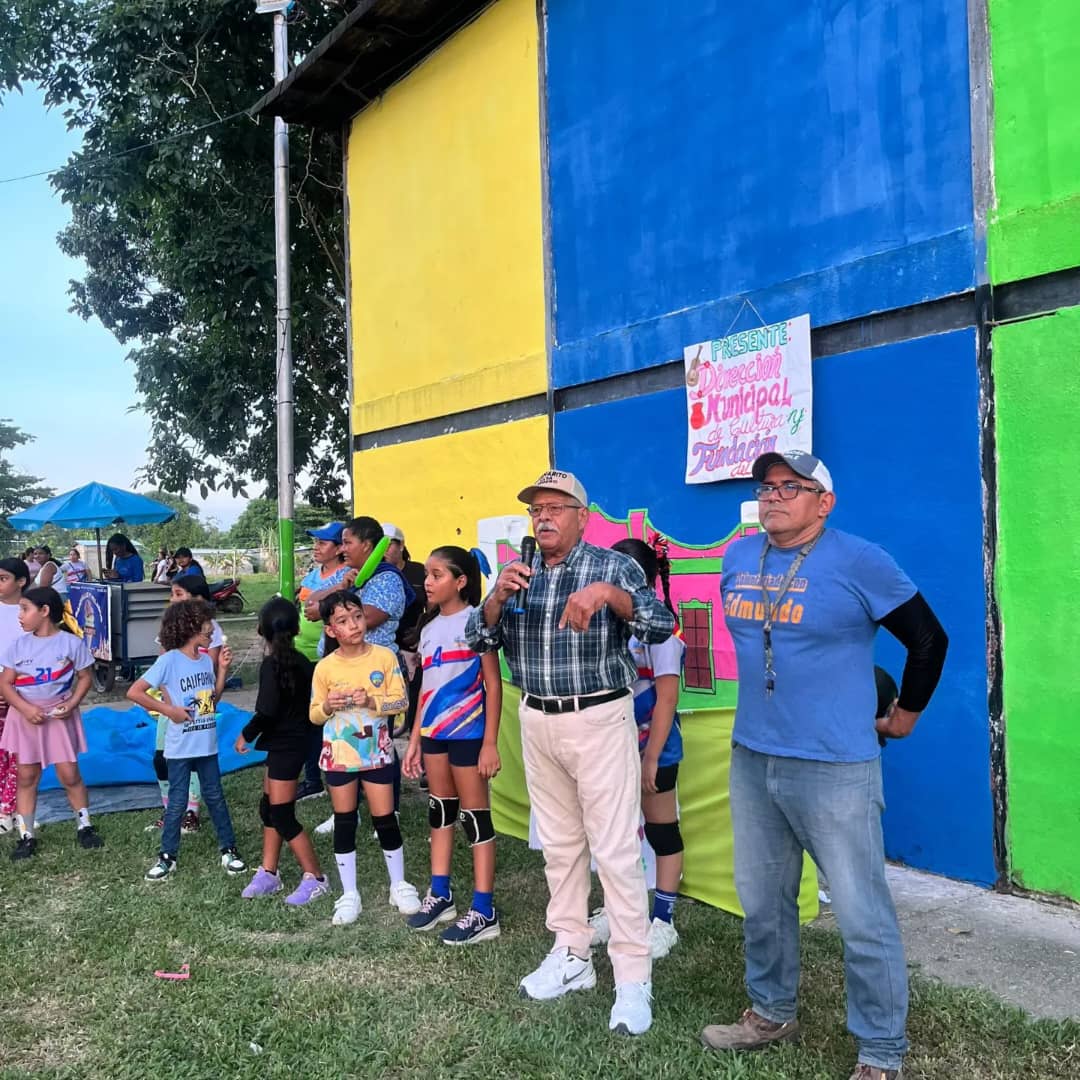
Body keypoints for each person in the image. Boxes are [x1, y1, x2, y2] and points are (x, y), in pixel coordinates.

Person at [701, 451, 949, 1080]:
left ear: (824, 502)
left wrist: (905, 717)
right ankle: (771, 1010)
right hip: (754, 757)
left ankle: (881, 1051)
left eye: (793, 486)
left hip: (836, 765)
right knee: (762, 900)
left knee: (862, 913)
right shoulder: (738, 557)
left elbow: (928, 639)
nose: (775, 495)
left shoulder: (859, 559)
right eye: (767, 486)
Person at [465, 469, 676, 1036]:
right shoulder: (519, 572)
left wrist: (611, 597)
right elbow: (477, 639)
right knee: (559, 847)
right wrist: (494, 602)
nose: (545, 517)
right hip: (536, 717)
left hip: (600, 716)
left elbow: (662, 625)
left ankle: (632, 978)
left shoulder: (612, 566)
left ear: (583, 516)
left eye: (557, 507)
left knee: (614, 850)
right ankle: (573, 955)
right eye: (537, 509)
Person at [588, 537, 685, 961]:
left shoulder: (662, 630)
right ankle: (615, 909)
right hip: (612, 746)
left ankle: (662, 920)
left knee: (661, 830)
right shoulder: (607, 623)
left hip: (654, 750)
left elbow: (666, 700)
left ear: (642, 581)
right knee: (617, 834)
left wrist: (650, 757)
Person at [402, 546, 503, 945]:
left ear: (461, 582)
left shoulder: (477, 622)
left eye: (437, 574)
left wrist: (490, 743)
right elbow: (426, 689)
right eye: (426, 574)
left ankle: (484, 909)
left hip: (469, 735)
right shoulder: (427, 630)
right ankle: (440, 894)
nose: (427, 581)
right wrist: (414, 740)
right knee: (440, 812)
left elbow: (493, 685)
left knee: (475, 818)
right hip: (433, 737)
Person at [309, 590, 420, 925]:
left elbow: (401, 702)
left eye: (356, 616)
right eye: (342, 621)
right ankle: (349, 892)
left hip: (377, 753)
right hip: (340, 756)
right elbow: (315, 714)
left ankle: (398, 884)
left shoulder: (384, 657)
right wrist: (330, 705)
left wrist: (372, 702)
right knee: (344, 821)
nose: (353, 625)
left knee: (385, 818)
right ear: (330, 630)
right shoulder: (325, 668)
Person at [127, 599, 245, 881]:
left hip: (206, 745)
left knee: (215, 796)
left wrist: (223, 672)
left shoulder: (205, 660)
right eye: (207, 625)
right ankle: (167, 857)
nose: (212, 630)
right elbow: (135, 692)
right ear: (191, 626)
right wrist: (170, 711)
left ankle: (229, 850)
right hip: (180, 748)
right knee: (177, 801)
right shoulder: (168, 661)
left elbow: (210, 703)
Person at [234, 598, 330, 906]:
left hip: (288, 746)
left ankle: (316, 878)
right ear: (298, 628)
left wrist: (245, 734)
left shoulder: (273, 665)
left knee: (282, 814)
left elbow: (267, 711)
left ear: (261, 630)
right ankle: (269, 872)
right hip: (285, 744)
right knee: (269, 808)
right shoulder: (303, 662)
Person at [0, 586, 104, 860]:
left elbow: (84, 677)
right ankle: (27, 835)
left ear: (44, 611)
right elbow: (6, 683)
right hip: (26, 719)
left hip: (58, 717)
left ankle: (85, 826)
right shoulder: (18, 645)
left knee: (70, 774)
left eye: (25, 609)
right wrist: (24, 708)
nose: (19, 616)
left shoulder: (71, 643)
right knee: (27, 776)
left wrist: (71, 704)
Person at [142, 575, 224, 834]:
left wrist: (204, 706)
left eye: (178, 594)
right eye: (173, 594)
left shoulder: (211, 630)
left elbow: (208, 669)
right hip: (173, 706)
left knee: (197, 758)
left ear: (197, 599)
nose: (172, 599)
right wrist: (167, 704)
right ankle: (171, 812)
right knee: (161, 758)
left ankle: (191, 812)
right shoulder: (172, 628)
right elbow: (161, 665)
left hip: (199, 704)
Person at [294, 522, 350, 802]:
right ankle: (313, 776)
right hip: (303, 652)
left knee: (326, 717)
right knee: (309, 716)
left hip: (327, 656)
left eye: (323, 543)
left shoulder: (345, 578)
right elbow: (305, 606)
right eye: (315, 542)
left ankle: (329, 777)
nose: (316, 547)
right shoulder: (314, 575)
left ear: (340, 548)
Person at [383, 523, 428, 739]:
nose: (383, 550)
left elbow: (432, 606)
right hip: (388, 643)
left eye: (388, 544)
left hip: (415, 642)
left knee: (416, 689)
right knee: (391, 694)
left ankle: (413, 734)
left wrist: (422, 634)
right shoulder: (379, 573)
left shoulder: (419, 571)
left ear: (401, 545)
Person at [0, 559, 31, 835]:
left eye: (3, 578)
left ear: (21, 581)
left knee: (20, 753)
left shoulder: (30, 612)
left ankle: (11, 808)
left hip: (24, 693)